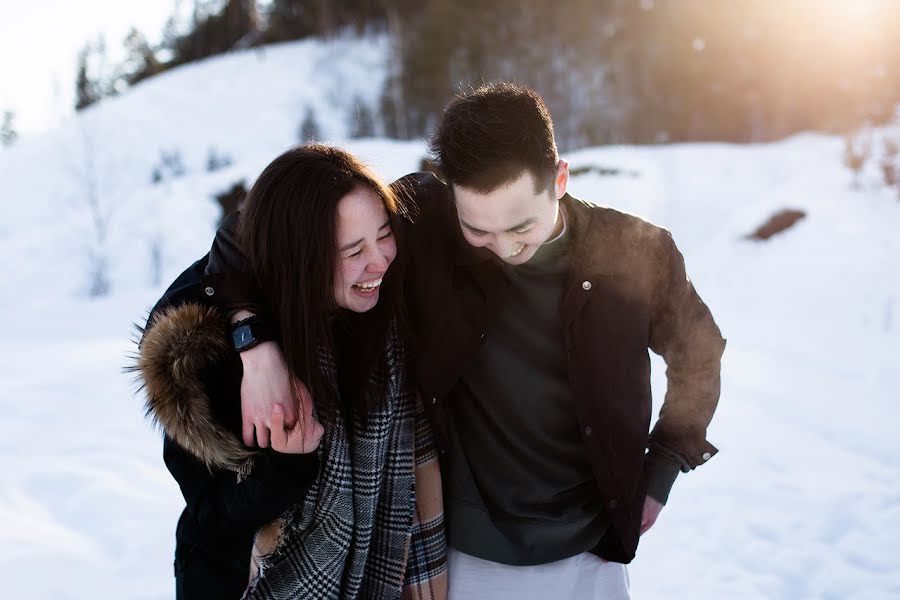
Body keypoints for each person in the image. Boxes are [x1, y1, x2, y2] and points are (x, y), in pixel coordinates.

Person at [202, 83, 726, 599]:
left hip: (592, 547)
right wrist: (256, 344)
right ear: (448, 190)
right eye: (478, 230)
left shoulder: (637, 251)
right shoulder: (423, 221)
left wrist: (662, 469)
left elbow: (699, 351)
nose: (503, 248)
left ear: (560, 179)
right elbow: (254, 232)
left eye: (522, 227)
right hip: (466, 554)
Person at [133, 144, 447, 599]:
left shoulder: (375, 310)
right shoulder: (212, 359)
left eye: (384, 234)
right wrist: (284, 466)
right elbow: (212, 523)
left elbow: (451, 189)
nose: (379, 261)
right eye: (353, 250)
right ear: (299, 256)